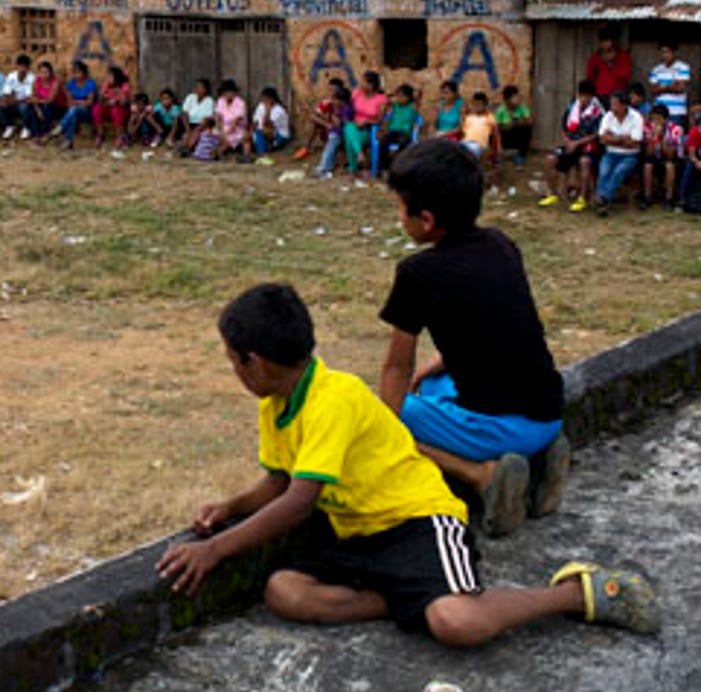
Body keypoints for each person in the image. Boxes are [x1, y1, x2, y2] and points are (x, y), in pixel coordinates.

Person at [155, 282, 659, 644]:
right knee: (284, 591)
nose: (233, 371)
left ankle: (576, 591)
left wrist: (216, 550)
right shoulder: (276, 404)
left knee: (459, 624)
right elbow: (281, 480)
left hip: (418, 521)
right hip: (360, 537)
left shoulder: (333, 397)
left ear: (255, 362)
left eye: (231, 360)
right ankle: (406, 597)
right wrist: (231, 506)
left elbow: (298, 502)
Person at [375, 140, 569, 534]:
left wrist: (384, 426)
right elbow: (501, 326)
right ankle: (542, 456)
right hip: (548, 413)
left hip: (497, 429)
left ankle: (481, 474)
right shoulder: (501, 244)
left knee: (378, 419)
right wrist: (436, 364)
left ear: (426, 220)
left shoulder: (417, 273)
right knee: (432, 384)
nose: (399, 217)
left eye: (399, 208)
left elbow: (397, 366)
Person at [540, 81, 603, 211]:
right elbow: (563, 127)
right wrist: (567, 141)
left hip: (588, 147)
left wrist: (577, 143)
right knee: (550, 159)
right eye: (581, 96)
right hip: (570, 144)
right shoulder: (571, 107)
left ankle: (582, 198)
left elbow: (596, 134)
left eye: (587, 96)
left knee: (585, 162)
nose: (584, 99)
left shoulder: (597, 112)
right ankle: (552, 194)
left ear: (592, 97)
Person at [592, 86, 643, 215]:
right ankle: (604, 201)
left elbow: (635, 143)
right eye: (612, 104)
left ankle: (603, 199)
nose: (613, 108)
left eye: (616, 105)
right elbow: (602, 139)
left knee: (618, 172)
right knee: (604, 171)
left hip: (630, 156)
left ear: (624, 105)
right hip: (610, 153)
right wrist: (622, 139)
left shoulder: (636, 118)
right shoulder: (608, 116)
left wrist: (612, 138)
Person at [639, 106, 684, 209]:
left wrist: (661, 138)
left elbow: (670, 154)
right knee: (648, 165)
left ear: (666, 119)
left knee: (669, 166)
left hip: (672, 158)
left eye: (658, 119)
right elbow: (648, 153)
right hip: (654, 156)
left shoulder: (675, 129)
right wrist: (653, 138)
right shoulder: (647, 128)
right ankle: (647, 196)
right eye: (653, 119)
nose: (655, 122)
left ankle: (669, 198)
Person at [374, 85, 421, 175]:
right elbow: (384, 117)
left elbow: (418, 99)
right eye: (397, 96)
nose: (398, 98)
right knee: (382, 143)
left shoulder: (412, 107)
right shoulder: (395, 106)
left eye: (402, 96)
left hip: (404, 133)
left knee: (402, 145)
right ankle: (382, 168)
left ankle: (398, 168)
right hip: (393, 132)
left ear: (408, 98)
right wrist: (386, 106)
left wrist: (417, 93)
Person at [350, 71, 389, 175]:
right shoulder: (356, 93)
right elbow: (348, 110)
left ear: (371, 85)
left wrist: (367, 122)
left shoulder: (381, 99)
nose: (361, 84)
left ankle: (354, 168)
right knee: (348, 129)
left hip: (369, 129)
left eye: (364, 82)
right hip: (354, 126)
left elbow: (380, 120)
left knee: (350, 137)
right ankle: (360, 154)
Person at [58, 61, 99, 150]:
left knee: (74, 110)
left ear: (84, 73)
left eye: (78, 72)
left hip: (87, 112)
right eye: (74, 72)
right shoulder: (71, 83)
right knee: (73, 114)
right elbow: (69, 101)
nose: (76, 75)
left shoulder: (90, 83)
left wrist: (76, 102)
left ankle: (61, 127)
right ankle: (68, 141)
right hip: (74, 111)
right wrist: (78, 102)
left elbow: (90, 102)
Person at [648, 44, 691, 124]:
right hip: (659, 112)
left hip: (676, 111)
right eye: (662, 52)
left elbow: (681, 89)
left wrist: (662, 87)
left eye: (668, 52)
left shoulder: (683, 68)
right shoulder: (656, 70)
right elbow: (653, 90)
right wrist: (672, 86)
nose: (665, 55)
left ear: (674, 52)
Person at [586, 28, 631, 101]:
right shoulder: (595, 57)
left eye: (610, 41)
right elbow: (590, 76)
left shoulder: (623, 56)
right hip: (600, 94)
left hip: (618, 94)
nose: (608, 44)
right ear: (600, 43)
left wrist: (612, 66)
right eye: (605, 41)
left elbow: (626, 75)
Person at [460, 92, 500, 173]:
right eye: (475, 104)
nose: (477, 107)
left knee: (470, 153)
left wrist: (497, 148)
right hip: (465, 142)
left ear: (485, 105)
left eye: (479, 104)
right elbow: (464, 133)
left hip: (479, 144)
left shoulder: (489, 117)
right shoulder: (469, 117)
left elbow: (495, 134)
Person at [494, 85, 534, 167]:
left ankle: (521, 155)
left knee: (526, 129)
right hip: (506, 138)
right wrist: (511, 125)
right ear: (507, 99)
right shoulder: (501, 111)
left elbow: (530, 121)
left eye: (518, 96)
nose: (518, 99)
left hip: (519, 138)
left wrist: (519, 122)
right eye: (515, 97)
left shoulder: (522, 108)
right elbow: (498, 127)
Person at [97, 66, 135, 148]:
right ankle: (100, 135)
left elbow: (124, 103)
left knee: (116, 110)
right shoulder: (107, 85)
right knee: (97, 109)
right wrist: (102, 94)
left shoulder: (124, 85)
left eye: (110, 76)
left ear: (116, 77)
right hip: (109, 109)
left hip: (123, 110)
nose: (108, 78)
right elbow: (100, 100)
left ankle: (119, 137)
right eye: (108, 76)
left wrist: (118, 93)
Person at [213, 79, 250, 162]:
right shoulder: (220, 101)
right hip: (223, 127)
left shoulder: (240, 103)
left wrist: (228, 132)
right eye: (225, 93)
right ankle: (219, 153)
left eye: (229, 92)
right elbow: (218, 118)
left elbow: (237, 120)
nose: (227, 95)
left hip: (237, 128)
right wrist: (221, 130)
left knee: (245, 137)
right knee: (216, 136)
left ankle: (246, 156)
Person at [1, 53, 35, 140]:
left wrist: (15, 100)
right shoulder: (11, 76)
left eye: (25, 67)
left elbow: (29, 97)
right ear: (17, 66)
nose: (22, 69)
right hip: (14, 101)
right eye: (20, 66)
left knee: (24, 107)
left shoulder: (32, 78)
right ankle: (9, 126)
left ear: (28, 68)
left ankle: (26, 128)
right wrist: (9, 100)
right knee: (3, 105)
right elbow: (6, 93)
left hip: (24, 104)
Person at [26, 60, 62, 144]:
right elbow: (33, 97)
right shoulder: (36, 81)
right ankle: (36, 134)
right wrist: (38, 109)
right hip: (41, 105)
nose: (44, 75)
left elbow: (50, 99)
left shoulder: (55, 82)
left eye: (46, 72)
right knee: (31, 107)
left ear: (50, 73)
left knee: (47, 107)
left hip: (55, 106)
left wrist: (38, 102)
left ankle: (46, 134)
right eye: (41, 72)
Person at [251, 86, 291, 156]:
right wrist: (252, 129)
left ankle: (262, 153)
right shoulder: (261, 106)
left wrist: (267, 110)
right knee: (253, 134)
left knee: (262, 131)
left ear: (272, 99)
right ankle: (247, 156)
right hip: (262, 132)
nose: (264, 100)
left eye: (266, 98)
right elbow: (256, 122)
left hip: (279, 136)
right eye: (263, 98)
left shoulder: (279, 110)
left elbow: (267, 124)